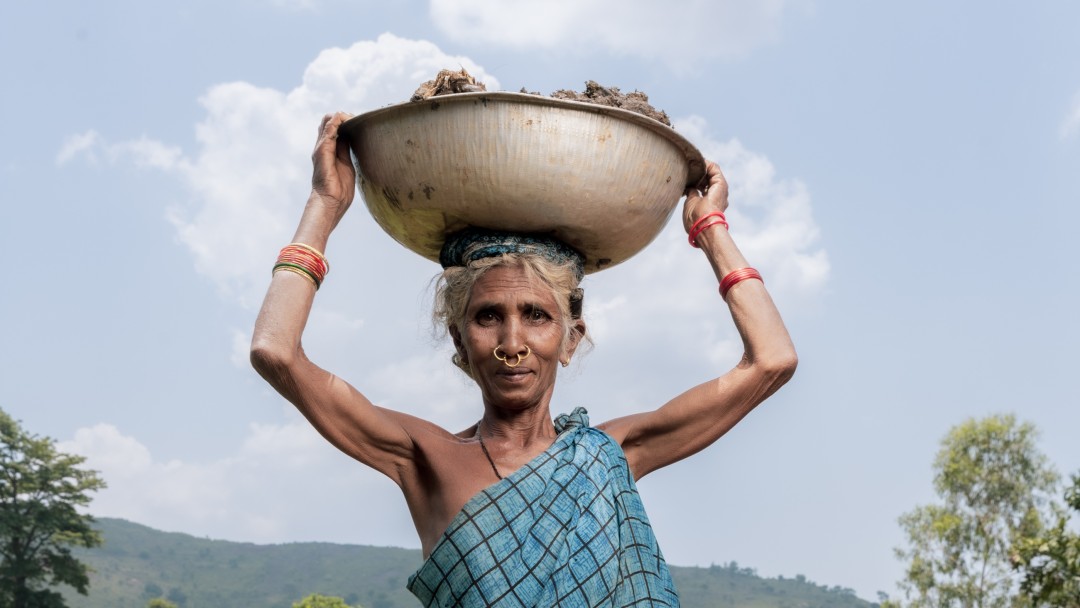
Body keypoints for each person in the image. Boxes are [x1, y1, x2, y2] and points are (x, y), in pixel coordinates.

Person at [251, 112, 798, 607]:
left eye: (536, 315)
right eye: (488, 316)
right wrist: (323, 206)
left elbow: (771, 360)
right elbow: (276, 352)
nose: (512, 341)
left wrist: (710, 229)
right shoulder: (426, 458)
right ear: (460, 342)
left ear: (570, 338)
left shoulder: (612, 454)